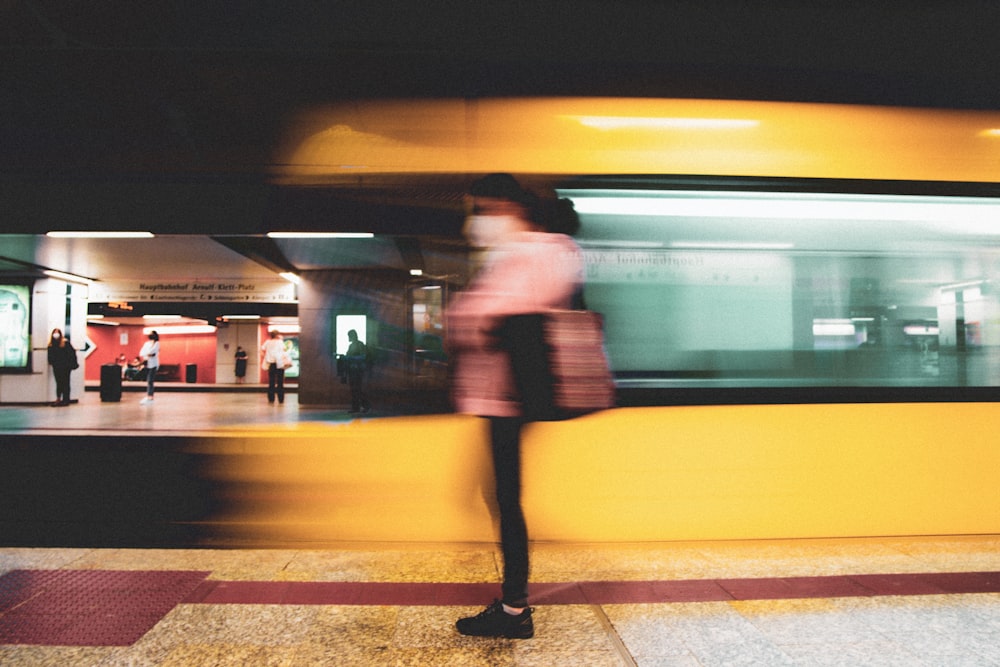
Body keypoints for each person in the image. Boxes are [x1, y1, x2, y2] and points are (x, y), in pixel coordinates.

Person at [447, 174, 584, 639]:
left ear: (506, 205)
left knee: (506, 499)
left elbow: (483, 320)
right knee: (502, 496)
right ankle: (513, 602)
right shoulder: (551, 251)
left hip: (505, 394)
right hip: (506, 393)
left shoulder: (528, 253)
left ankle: (513, 609)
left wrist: (462, 317)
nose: (479, 221)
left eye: (484, 209)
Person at [46, 328, 77, 406]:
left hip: (65, 367)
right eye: (54, 333)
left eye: (57, 333)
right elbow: (50, 356)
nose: (56, 334)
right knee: (59, 382)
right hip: (57, 366)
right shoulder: (51, 344)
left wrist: (71, 364)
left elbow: (71, 354)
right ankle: (59, 398)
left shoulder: (65, 343)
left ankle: (66, 399)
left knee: (65, 383)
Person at [345, 329, 371, 413]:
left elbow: (363, 357)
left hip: (357, 370)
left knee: (357, 389)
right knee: (354, 389)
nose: (348, 338)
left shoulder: (359, 345)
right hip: (353, 370)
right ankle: (357, 407)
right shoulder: (353, 345)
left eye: (349, 336)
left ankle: (363, 406)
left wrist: (350, 358)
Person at [260, 330, 287, 404]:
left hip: (271, 364)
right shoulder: (280, 342)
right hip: (280, 363)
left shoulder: (267, 342)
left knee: (271, 382)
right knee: (280, 382)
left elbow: (261, 350)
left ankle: (271, 399)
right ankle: (280, 399)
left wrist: (265, 356)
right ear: (277, 335)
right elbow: (284, 349)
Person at [139, 331, 160, 404]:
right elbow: (141, 353)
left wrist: (149, 354)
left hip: (154, 365)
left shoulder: (157, 343)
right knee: (148, 381)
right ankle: (149, 396)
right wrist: (149, 354)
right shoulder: (146, 343)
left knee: (150, 381)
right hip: (148, 364)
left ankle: (150, 397)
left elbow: (153, 352)